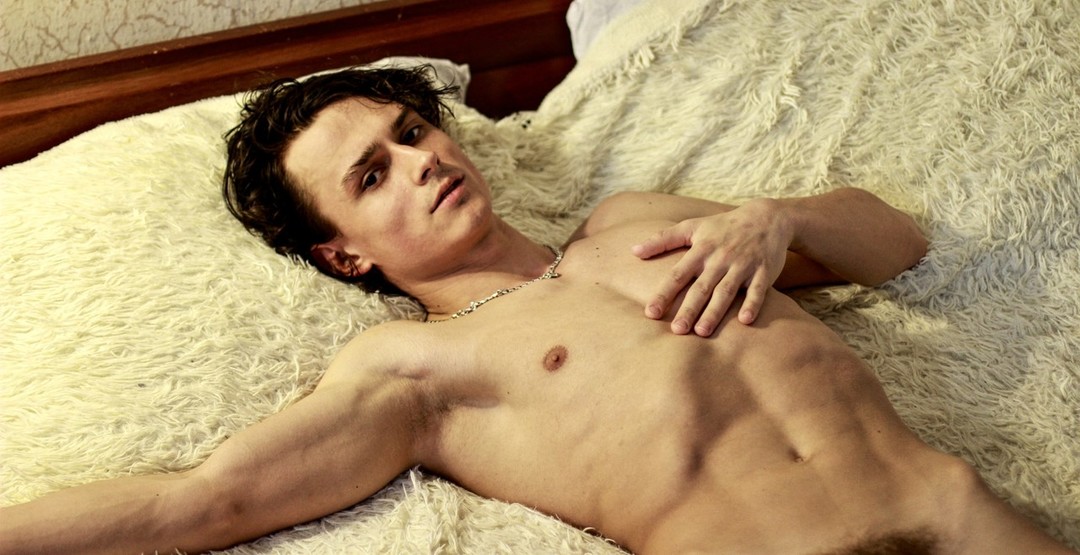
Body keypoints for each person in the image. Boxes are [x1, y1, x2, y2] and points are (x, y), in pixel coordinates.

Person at [1, 66, 1074, 555]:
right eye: (372, 177)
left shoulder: (638, 225)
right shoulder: (418, 372)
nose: (419, 164)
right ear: (344, 253)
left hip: (962, 517)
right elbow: (199, 505)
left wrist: (777, 220)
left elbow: (899, 244)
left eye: (410, 135)